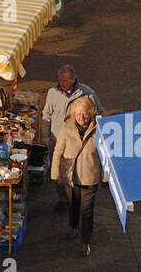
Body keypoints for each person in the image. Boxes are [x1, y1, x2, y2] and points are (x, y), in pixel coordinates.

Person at [40, 65, 103, 211]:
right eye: (60, 80)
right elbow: (47, 115)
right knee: (60, 171)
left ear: (74, 79)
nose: (62, 83)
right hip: (57, 140)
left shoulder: (87, 93)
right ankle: (63, 199)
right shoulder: (52, 93)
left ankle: (77, 200)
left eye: (65, 80)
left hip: (78, 143)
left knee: (78, 171)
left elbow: (99, 113)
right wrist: (45, 136)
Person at [50, 95, 104, 256]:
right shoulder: (67, 127)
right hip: (71, 175)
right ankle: (73, 226)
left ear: (91, 113)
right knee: (73, 204)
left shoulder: (98, 128)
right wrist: (55, 173)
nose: (82, 118)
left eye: (85, 114)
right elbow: (58, 150)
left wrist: (105, 178)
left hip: (90, 176)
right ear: (74, 113)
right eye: (79, 114)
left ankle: (85, 242)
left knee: (87, 210)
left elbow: (105, 154)